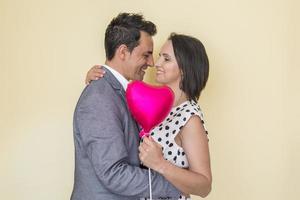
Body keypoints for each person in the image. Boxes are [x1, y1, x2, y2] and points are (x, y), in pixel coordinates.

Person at [86, 33, 212, 199]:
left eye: (166, 59)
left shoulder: (189, 118)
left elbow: (204, 186)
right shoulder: (155, 106)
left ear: (185, 68)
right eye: (159, 57)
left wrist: (161, 164)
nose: (156, 63)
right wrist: (98, 79)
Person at [71, 13, 181, 200]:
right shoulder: (99, 98)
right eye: (146, 55)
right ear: (122, 52)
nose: (152, 63)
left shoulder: (119, 91)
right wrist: (173, 185)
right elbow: (113, 172)